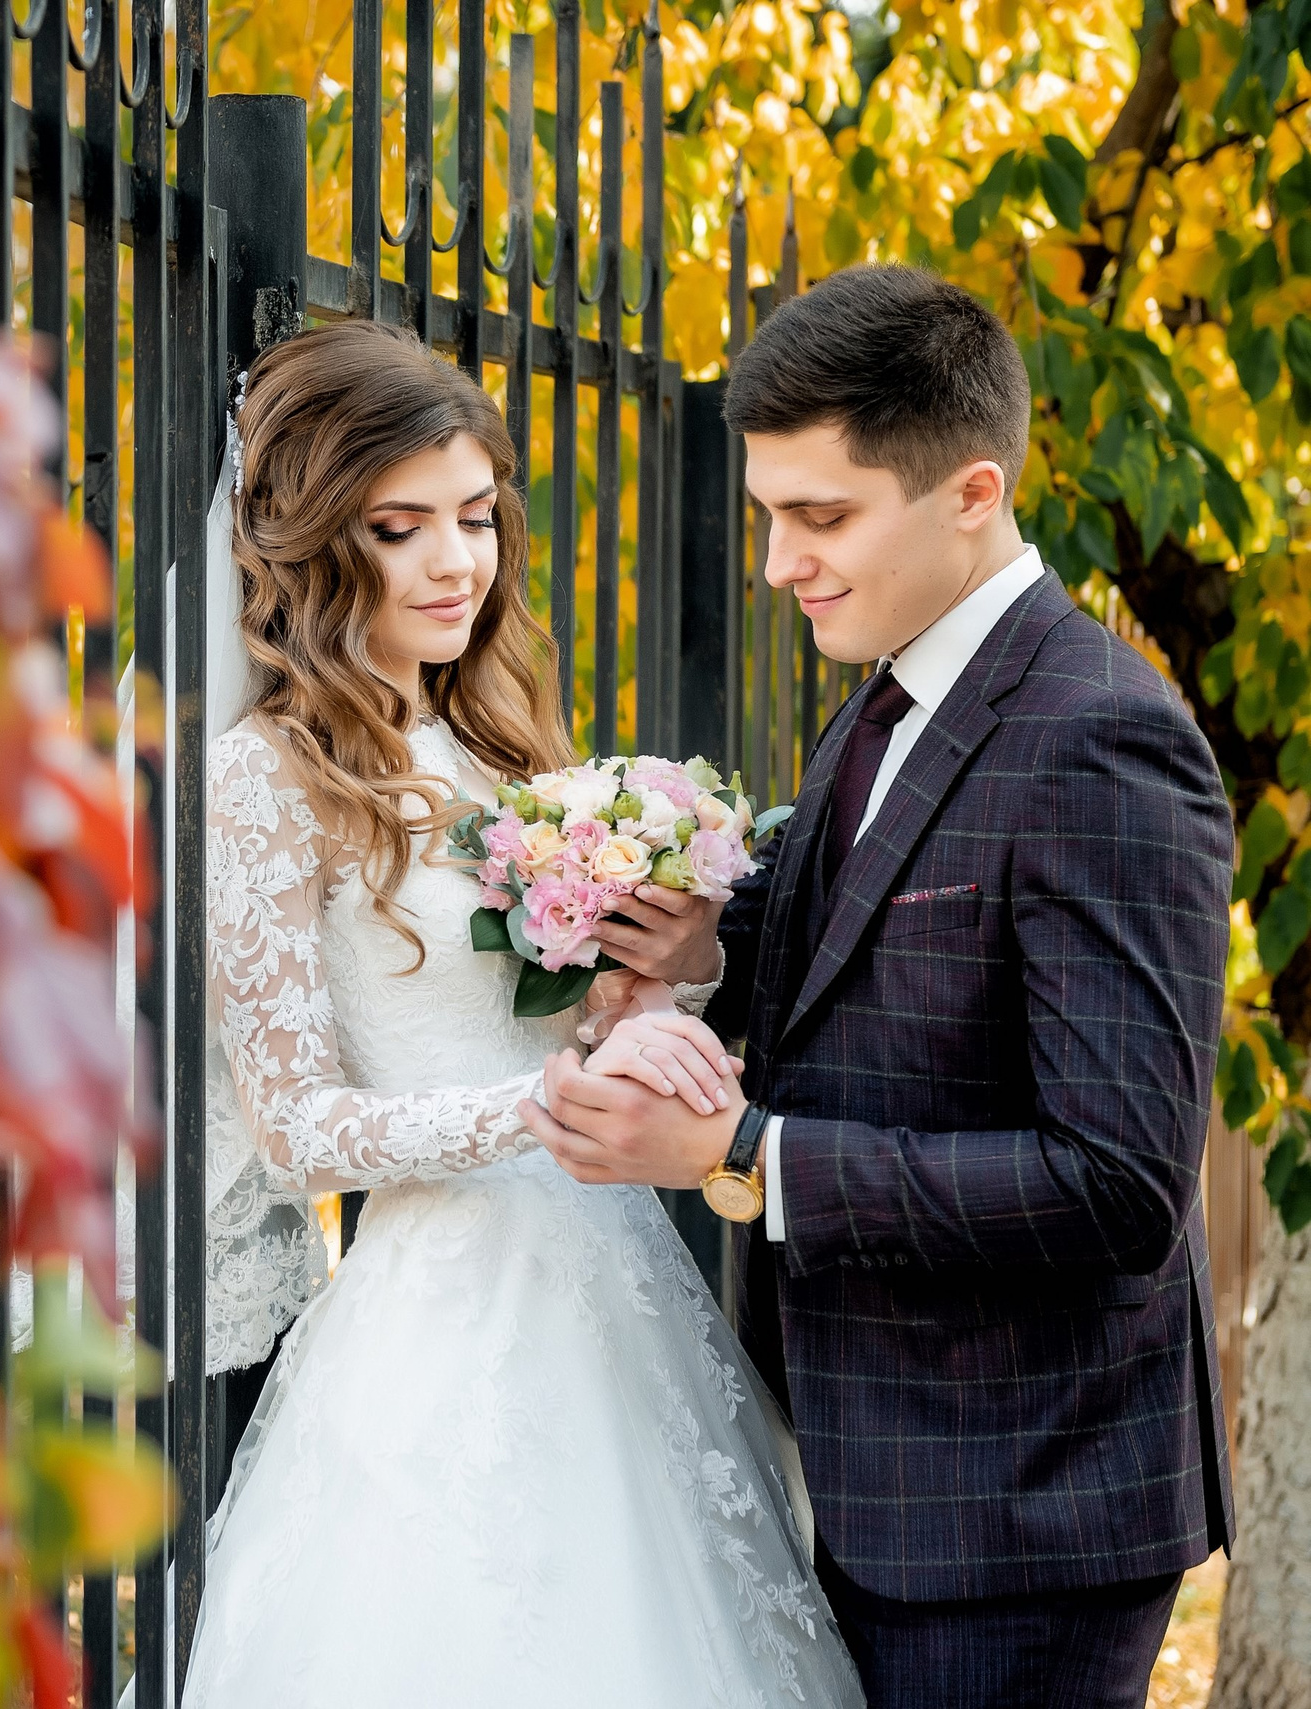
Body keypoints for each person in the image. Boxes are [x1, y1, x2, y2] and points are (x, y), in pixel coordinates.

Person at [520, 264, 1233, 1709]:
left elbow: (1118, 1185)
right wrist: (706, 951)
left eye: (823, 517)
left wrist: (739, 1157)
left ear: (973, 493)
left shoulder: (1102, 739)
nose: (779, 562)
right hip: (880, 1476)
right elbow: (865, 963)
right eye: (770, 514)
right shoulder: (888, 692)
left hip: (1017, 1521)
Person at [182, 317, 863, 1706]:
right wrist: (536, 1108)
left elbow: (557, 1024)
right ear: (311, 541)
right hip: (440, 1314)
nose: (457, 561)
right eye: (401, 528)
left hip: (613, 1283)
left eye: (477, 517)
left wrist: (655, 990)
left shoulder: (493, 743)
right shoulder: (268, 776)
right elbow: (297, 1125)